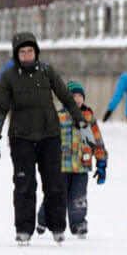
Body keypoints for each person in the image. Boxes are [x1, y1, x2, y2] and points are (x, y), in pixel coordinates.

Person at [0, 32, 88, 244]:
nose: (27, 55)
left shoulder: (46, 71)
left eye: (30, 51)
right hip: (21, 137)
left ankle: (57, 227)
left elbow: (66, 97)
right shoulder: (9, 77)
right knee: (24, 184)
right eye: (22, 52)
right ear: (16, 54)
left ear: (36, 52)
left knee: (55, 183)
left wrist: (80, 121)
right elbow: (0, 109)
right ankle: (24, 229)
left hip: (50, 135)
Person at [37, 81, 106, 238]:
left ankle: (79, 224)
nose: (77, 99)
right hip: (61, 166)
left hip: (82, 166)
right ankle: (43, 219)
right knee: (55, 195)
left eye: (80, 96)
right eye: (73, 96)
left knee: (79, 197)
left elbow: (98, 140)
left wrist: (101, 162)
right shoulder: (59, 117)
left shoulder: (88, 117)